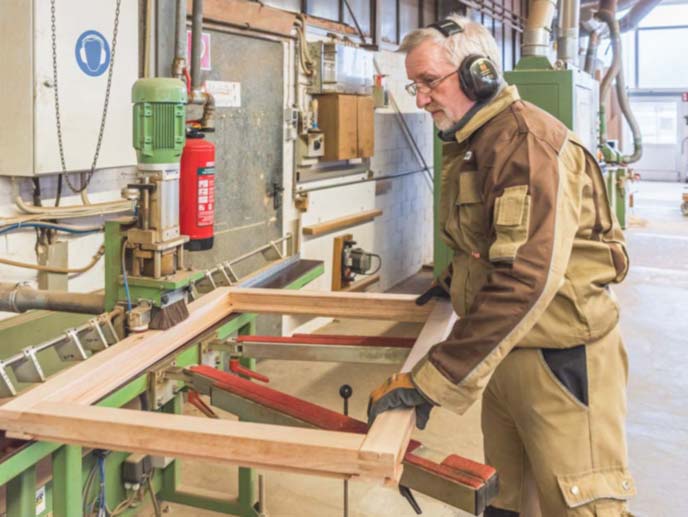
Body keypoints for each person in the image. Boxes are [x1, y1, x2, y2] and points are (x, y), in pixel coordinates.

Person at [367, 15, 635, 516]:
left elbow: (527, 277)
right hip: (505, 352)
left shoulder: (526, 144)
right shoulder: (477, 143)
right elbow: (489, 246)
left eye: (429, 81)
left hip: (559, 361)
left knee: (582, 505)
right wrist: (453, 283)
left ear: (479, 74)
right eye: (414, 85)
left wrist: (431, 380)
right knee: (507, 502)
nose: (420, 99)